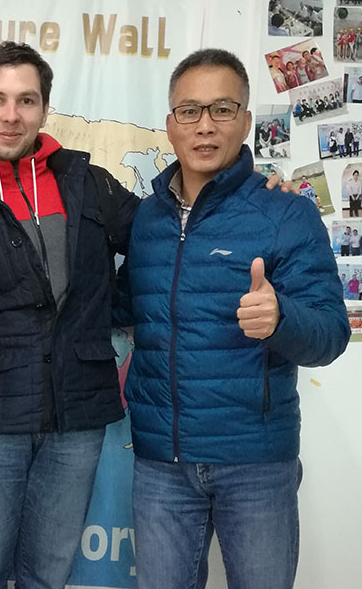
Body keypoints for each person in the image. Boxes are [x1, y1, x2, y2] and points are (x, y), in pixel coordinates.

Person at [0, 41, 139, 589]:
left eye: (25, 100)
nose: (10, 115)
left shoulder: (91, 185)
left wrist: (111, 304)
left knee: (49, 575)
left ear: (44, 108)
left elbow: (160, 240)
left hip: (77, 418)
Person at [120, 49, 350, 589]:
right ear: (171, 125)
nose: (205, 126)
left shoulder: (286, 212)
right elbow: (121, 304)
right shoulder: (146, 218)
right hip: (161, 465)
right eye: (189, 111)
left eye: (222, 109)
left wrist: (281, 318)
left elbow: (331, 333)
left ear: (246, 122)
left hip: (256, 463)